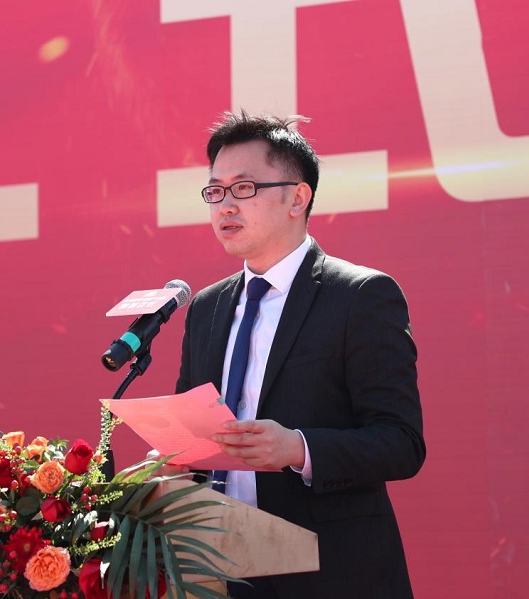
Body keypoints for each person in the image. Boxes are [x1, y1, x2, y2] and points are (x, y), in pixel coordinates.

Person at [175, 111, 425, 598]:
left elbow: (401, 443)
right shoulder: (206, 308)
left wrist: (298, 448)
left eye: (244, 188)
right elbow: (195, 428)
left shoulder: (359, 296)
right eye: (215, 191)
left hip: (331, 573)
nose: (226, 205)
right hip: (220, 571)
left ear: (298, 197)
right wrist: (175, 459)